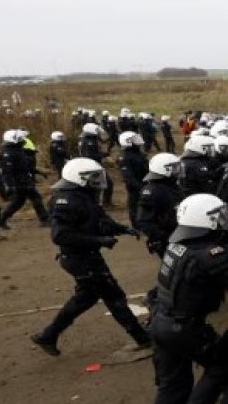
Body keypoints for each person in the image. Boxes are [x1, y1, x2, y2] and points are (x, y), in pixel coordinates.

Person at [147, 194, 228, 404]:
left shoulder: (177, 245)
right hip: (184, 326)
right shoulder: (207, 254)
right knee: (222, 365)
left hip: (161, 321)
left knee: (172, 384)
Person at [30, 158, 151, 356]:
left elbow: (99, 219)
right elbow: (60, 235)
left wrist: (122, 229)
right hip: (80, 258)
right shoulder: (65, 200)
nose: (97, 181)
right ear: (79, 178)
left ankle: (48, 335)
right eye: (92, 177)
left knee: (86, 297)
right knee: (114, 297)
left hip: (85, 257)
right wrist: (99, 240)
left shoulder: (82, 195)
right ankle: (142, 338)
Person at [0, 129, 49, 228]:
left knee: (30, 200)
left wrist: (40, 172)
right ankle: (2, 219)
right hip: (19, 182)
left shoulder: (18, 150)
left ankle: (44, 219)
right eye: (20, 138)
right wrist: (11, 186)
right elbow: (7, 172)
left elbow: (26, 166)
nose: (23, 140)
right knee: (21, 202)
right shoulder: (8, 153)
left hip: (25, 180)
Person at [137, 153, 184, 257]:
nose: (178, 170)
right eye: (175, 168)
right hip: (167, 239)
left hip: (178, 234)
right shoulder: (152, 191)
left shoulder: (173, 185)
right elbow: (144, 222)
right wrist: (165, 237)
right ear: (164, 170)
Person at [77, 122, 114, 207]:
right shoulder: (89, 141)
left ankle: (104, 202)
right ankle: (101, 204)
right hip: (92, 165)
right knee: (104, 184)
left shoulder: (89, 139)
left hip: (92, 164)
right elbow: (90, 155)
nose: (98, 132)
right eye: (96, 130)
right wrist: (104, 155)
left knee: (104, 184)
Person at [117, 131, 149, 227]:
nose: (137, 141)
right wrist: (140, 188)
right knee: (134, 206)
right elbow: (129, 177)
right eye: (134, 139)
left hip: (144, 183)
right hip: (136, 187)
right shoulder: (125, 157)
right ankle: (136, 226)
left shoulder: (138, 153)